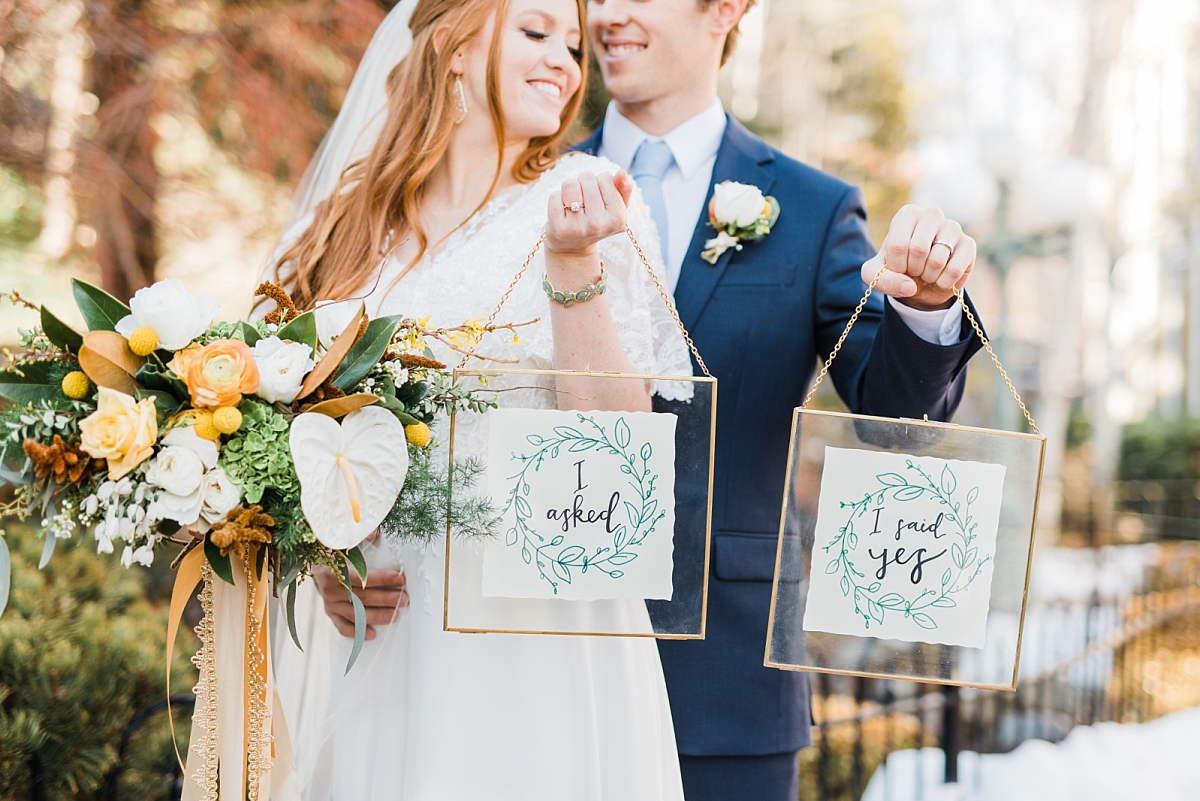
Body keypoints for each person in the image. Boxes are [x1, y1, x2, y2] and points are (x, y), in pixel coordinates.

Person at [316, 1, 985, 800]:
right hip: (523, 662)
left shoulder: (813, 208)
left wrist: (927, 307)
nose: (607, 16)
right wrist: (350, 552)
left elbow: (900, 423)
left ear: (727, 11)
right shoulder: (517, 183)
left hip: (728, 679)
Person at [269, 0, 694, 797]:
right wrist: (325, 559)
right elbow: (290, 441)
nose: (567, 65)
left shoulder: (584, 200)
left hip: (533, 636)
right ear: (456, 48)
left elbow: (621, 450)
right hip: (383, 644)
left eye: (572, 47)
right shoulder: (348, 231)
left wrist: (572, 267)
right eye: (537, 33)